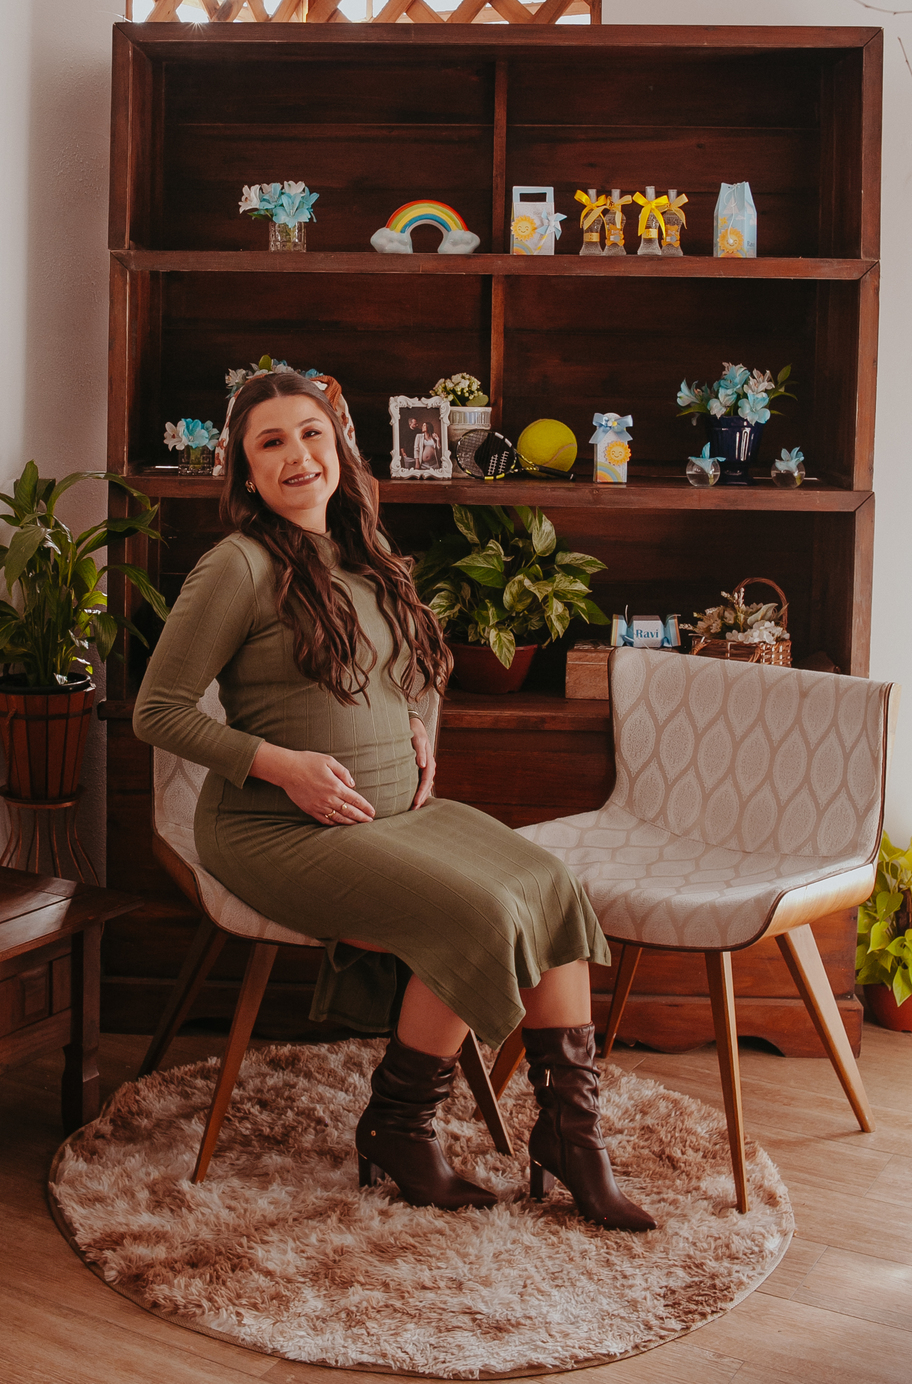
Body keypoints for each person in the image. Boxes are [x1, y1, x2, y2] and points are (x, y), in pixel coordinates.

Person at [133, 371, 654, 1229]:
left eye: (311, 433)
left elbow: (422, 667)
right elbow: (159, 711)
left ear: (338, 446)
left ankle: (572, 1136)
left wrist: (419, 723)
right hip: (273, 829)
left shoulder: (361, 550)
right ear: (244, 471)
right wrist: (280, 767)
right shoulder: (236, 565)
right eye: (271, 443)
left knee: (548, 885)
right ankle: (401, 1127)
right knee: (475, 912)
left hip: (395, 815)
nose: (299, 455)